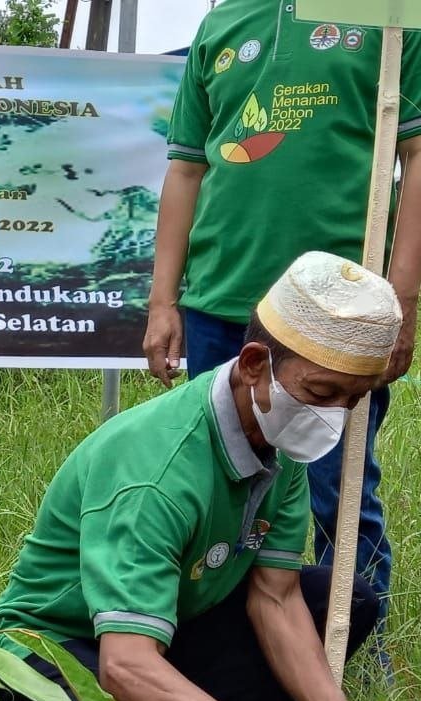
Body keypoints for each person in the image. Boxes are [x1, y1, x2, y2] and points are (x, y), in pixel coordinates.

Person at [0, 252, 421, 701]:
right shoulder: (155, 473)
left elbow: (276, 597)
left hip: (169, 623)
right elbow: (127, 667)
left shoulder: (280, 438)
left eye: (354, 399)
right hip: (55, 644)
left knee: (343, 600)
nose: (335, 416)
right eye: (324, 392)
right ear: (254, 364)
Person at [143, 0, 421, 655]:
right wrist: (164, 301)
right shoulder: (220, 24)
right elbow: (186, 169)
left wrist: (401, 299)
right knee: (211, 484)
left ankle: (354, 646)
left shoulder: (385, 16)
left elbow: (416, 159)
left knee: (336, 488)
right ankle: (218, 645)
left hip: (337, 313)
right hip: (217, 301)